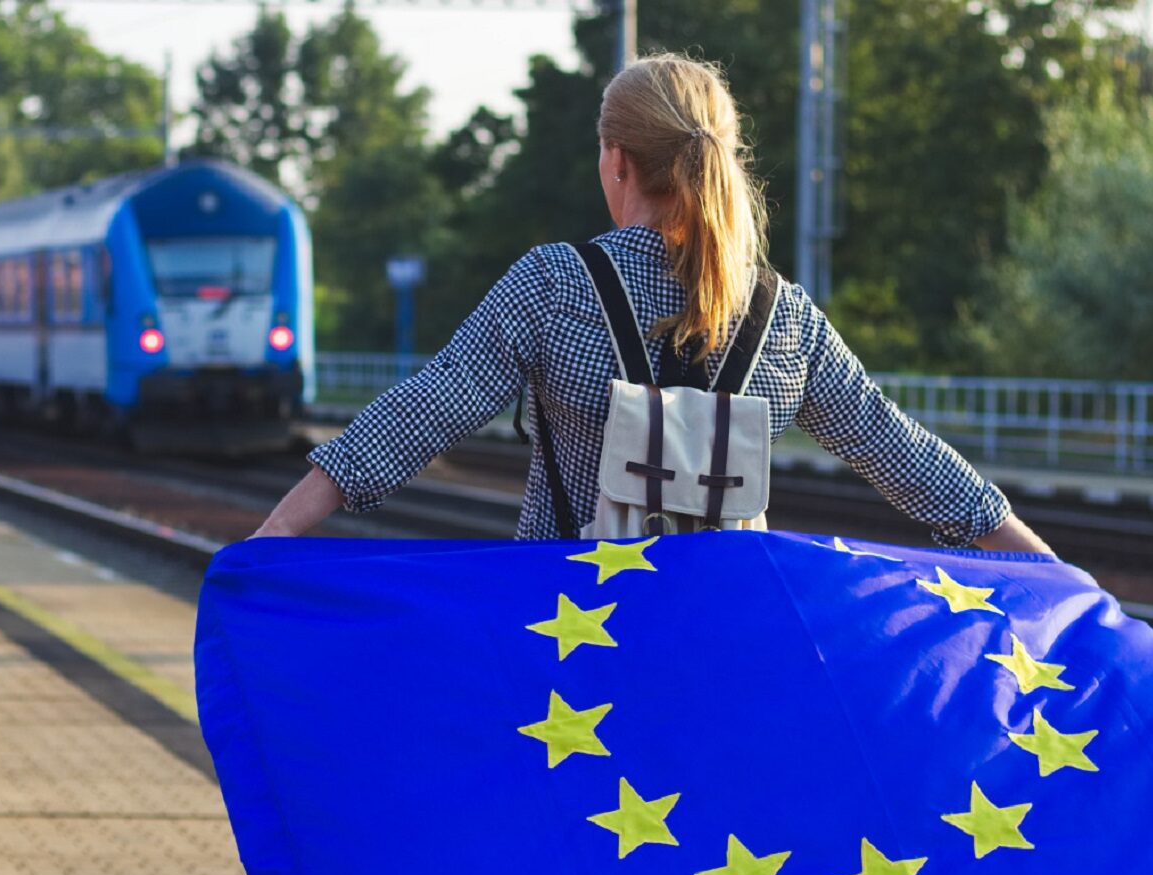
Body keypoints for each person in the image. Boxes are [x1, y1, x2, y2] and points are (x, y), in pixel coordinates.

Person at [252, 53, 1051, 556]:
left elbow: (425, 411)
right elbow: (896, 451)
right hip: (720, 649)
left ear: (616, 160)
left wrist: (276, 531)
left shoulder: (556, 285)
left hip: (573, 647)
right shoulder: (783, 318)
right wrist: (1047, 569)